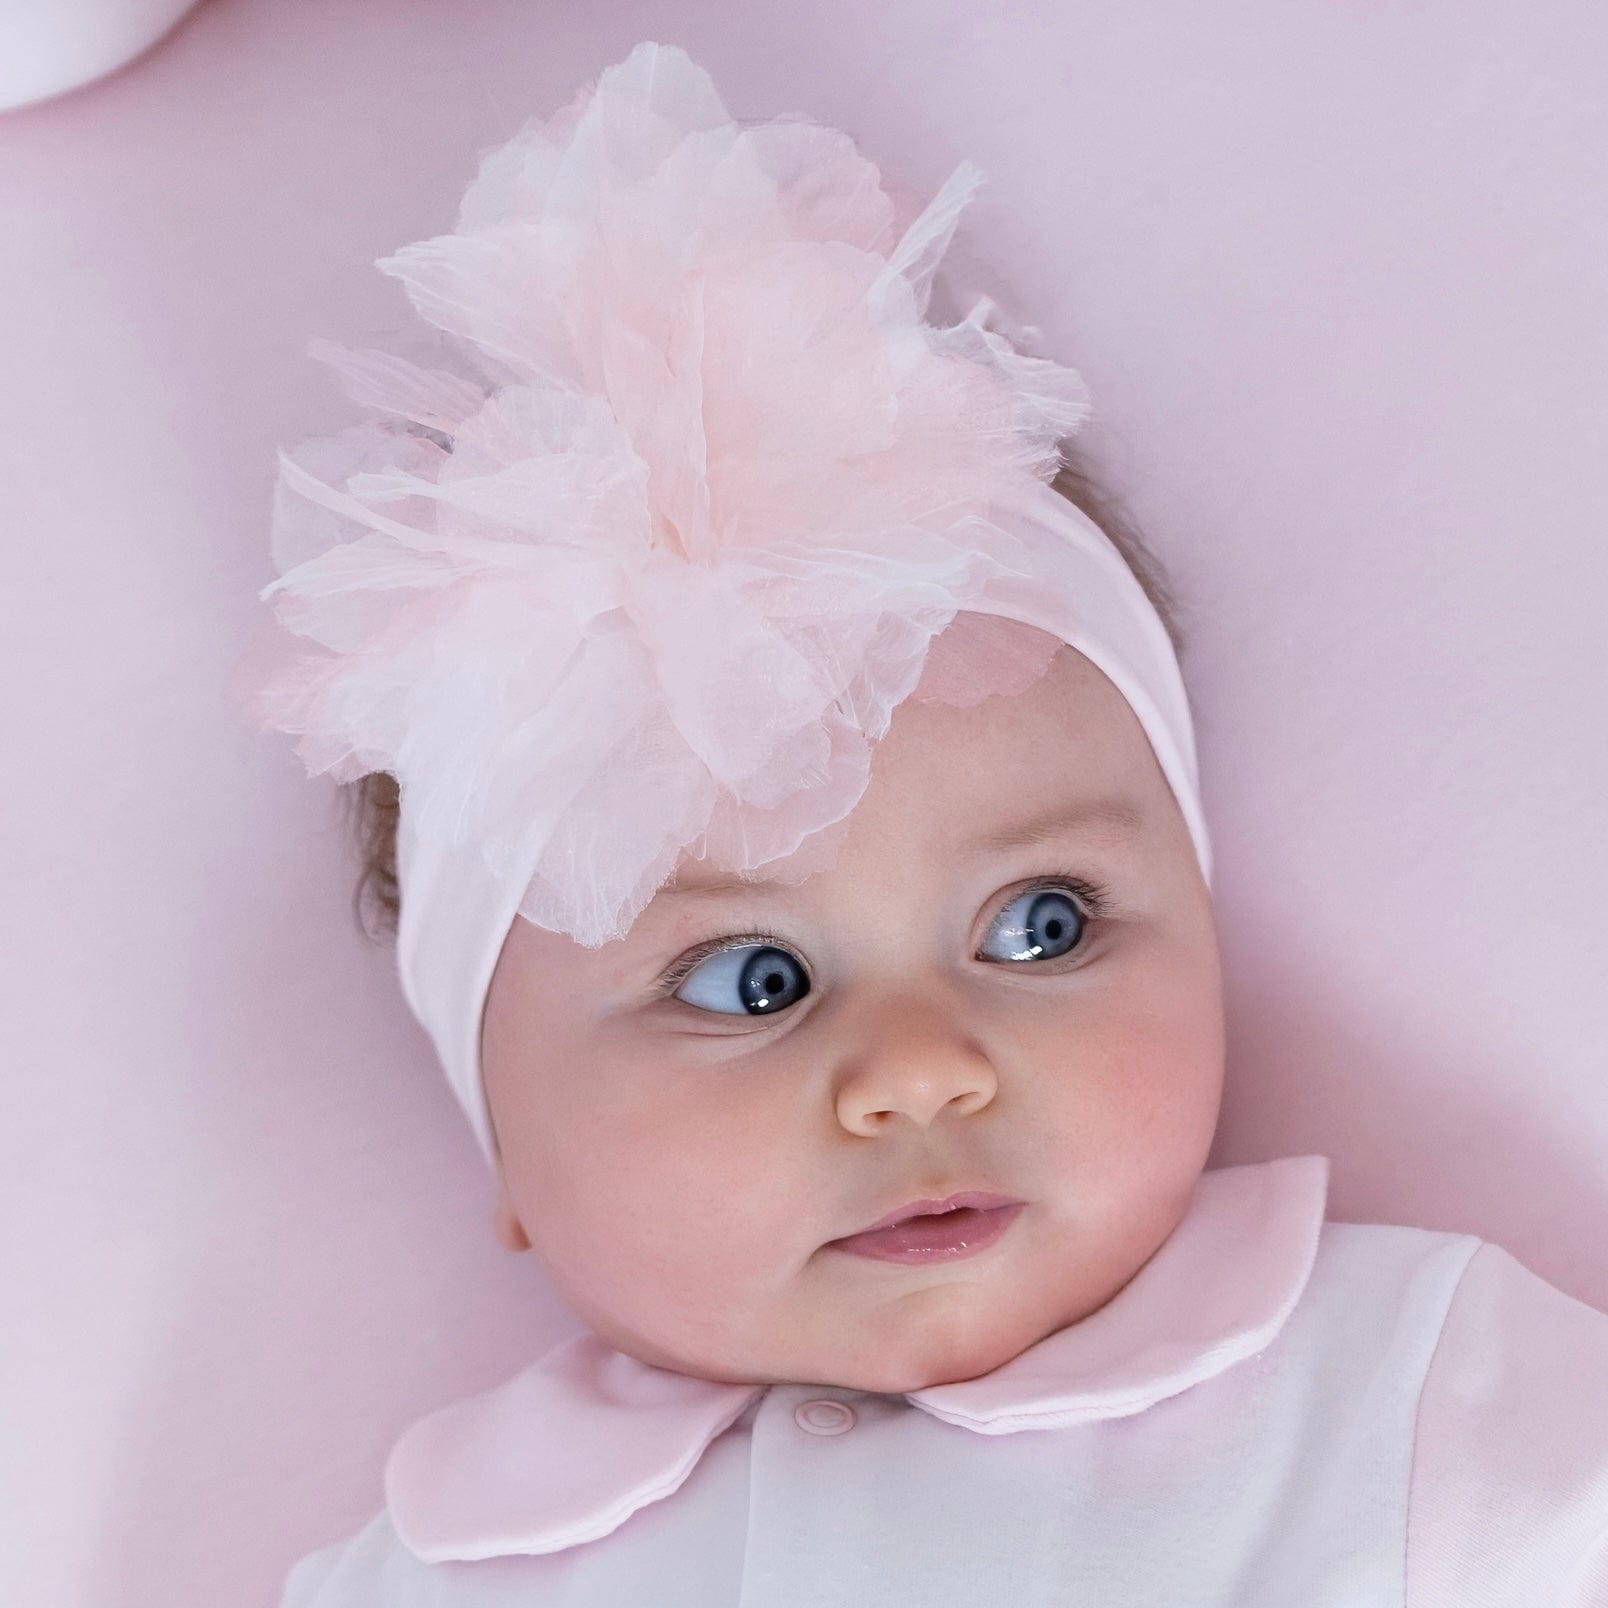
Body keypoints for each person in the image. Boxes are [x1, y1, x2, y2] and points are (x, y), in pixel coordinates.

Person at [240, 39, 1608, 1607]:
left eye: (1043, 925)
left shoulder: (1410, 1393)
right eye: (750, 980)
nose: (916, 1073)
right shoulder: (434, 1569)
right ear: (507, 1144)